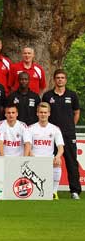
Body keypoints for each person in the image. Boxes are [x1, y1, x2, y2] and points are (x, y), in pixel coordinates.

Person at [42, 69, 81, 199]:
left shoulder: (72, 95)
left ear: (66, 80)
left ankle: (74, 191)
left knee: (71, 162)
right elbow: (44, 112)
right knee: (49, 162)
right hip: (51, 135)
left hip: (68, 134)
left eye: (62, 77)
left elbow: (76, 113)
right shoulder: (48, 96)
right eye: (58, 77)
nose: (60, 80)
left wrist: (70, 126)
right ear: (54, 79)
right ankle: (48, 190)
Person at [27, 102, 64, 200]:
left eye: (45, 112)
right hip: (34, 159)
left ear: (49, 114)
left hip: (49, 159)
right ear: (37, 113)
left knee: (58, 162)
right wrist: (31, 156)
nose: (43, 114)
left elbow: (61, 147)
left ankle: (54, 192)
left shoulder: (55, 129)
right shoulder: (30, 128)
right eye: (41, 112)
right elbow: (28, 146)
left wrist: (58, 156)